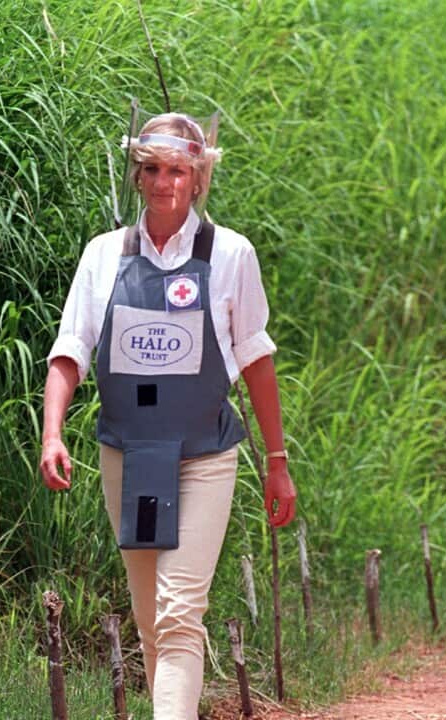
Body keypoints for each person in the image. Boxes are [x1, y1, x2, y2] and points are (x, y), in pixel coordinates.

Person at [39, 112, 295, 719]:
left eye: (178, 169)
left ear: (200, 177)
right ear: (137, 175)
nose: (164, 182)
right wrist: (53, 432)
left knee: (181, 611)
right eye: (151, 169)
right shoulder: (104, 255)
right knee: (150, 614)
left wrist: (277, 462)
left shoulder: (231, 254)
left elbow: (257, 360)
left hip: (204, 456)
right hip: (127, 457)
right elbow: (70, 350)